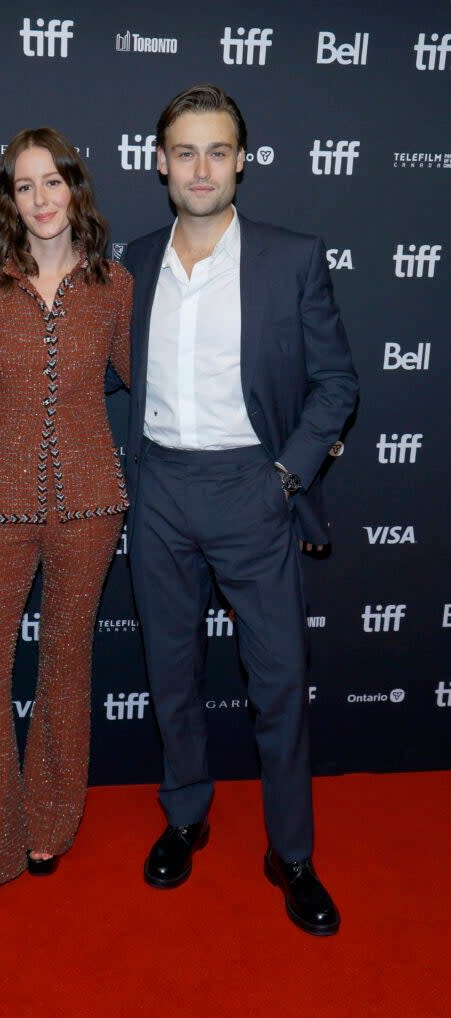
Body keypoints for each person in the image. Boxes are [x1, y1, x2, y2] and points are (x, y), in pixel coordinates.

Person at [122, 85, 358, 936]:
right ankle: (185, 815)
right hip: (159, 493)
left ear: (241, 162)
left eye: (217, 151)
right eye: (183, 151)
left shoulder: (290, 258)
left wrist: (284, 478)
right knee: (171, 675)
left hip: (253, 492)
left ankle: (289, 852)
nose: (200, 167)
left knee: (280, 683)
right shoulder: (132, 262)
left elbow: (336, 385)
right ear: (159, 162)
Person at [0, 127, 132, 904]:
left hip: (90, 504)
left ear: (75, 187)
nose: (41, 198)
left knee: (64, 667)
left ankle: (49, 824)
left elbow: (139, 379)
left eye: (53, 181)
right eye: (25, 185)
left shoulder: (114, 286)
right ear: (9, 200)